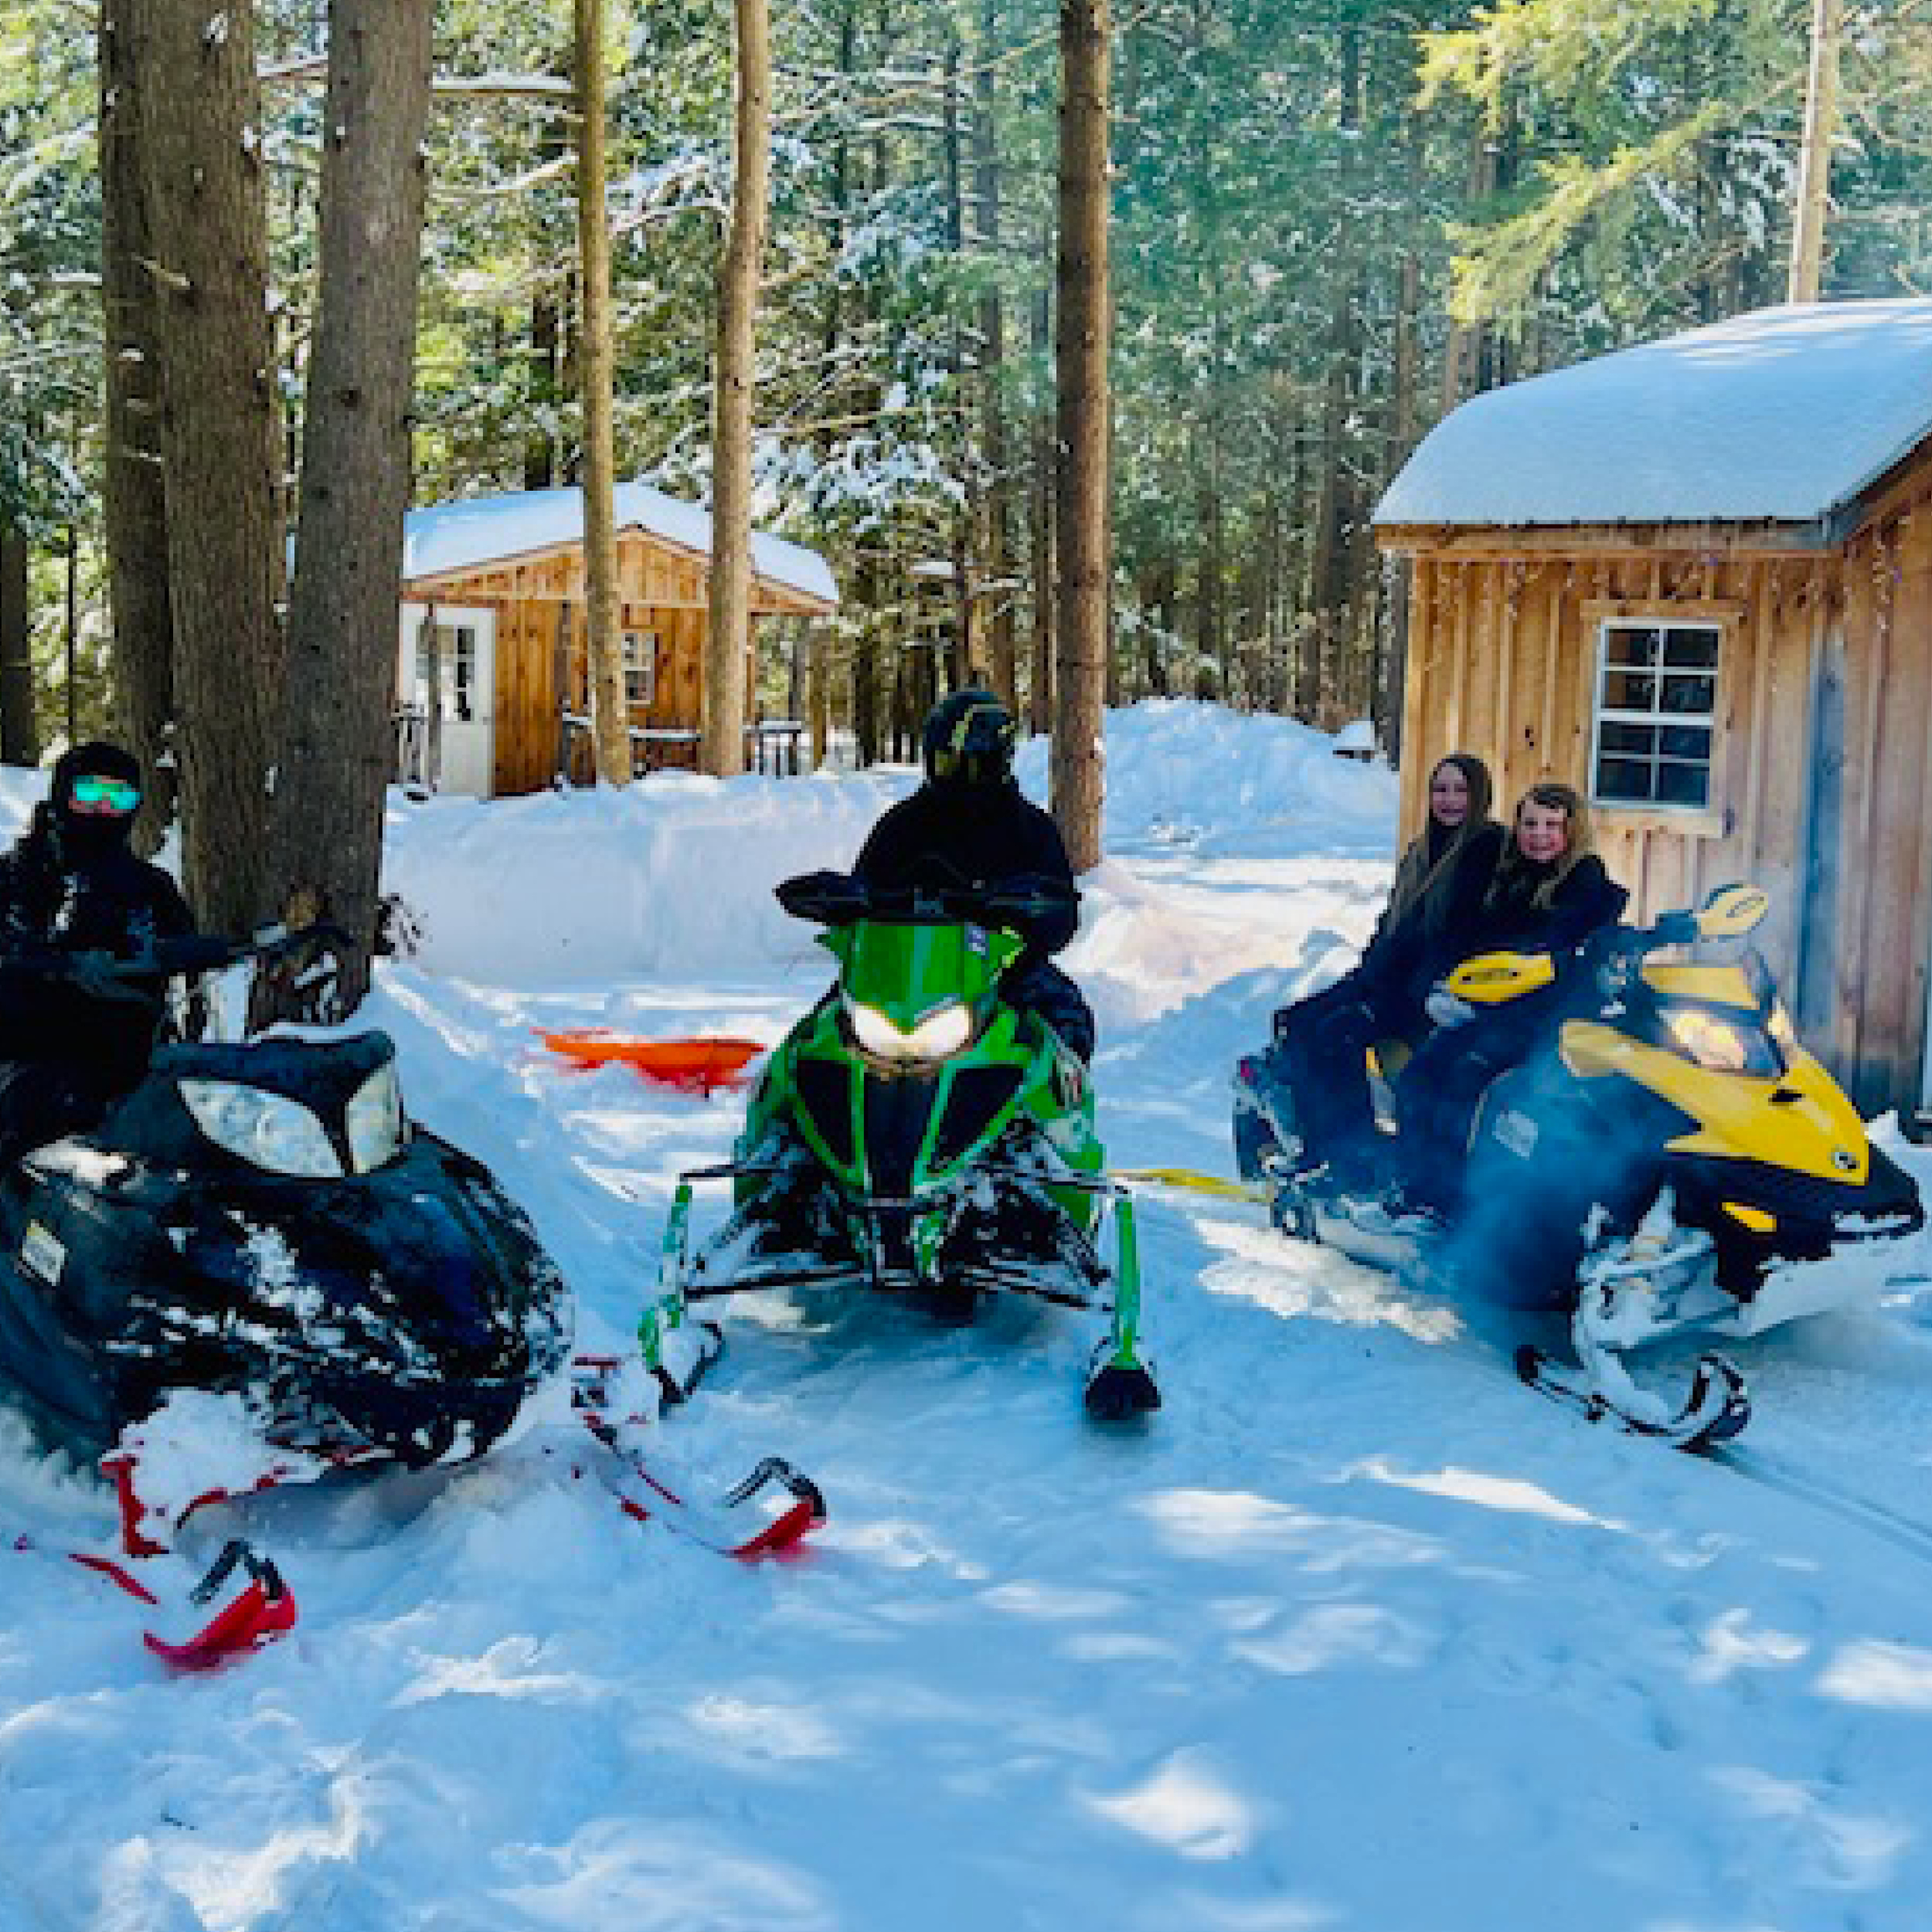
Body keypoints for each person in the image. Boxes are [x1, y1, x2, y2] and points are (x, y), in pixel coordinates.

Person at [1261, 753, 1505, 1186]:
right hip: (1386, 977)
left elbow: (1454, 938)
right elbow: (1393, 926)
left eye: (1460, 791)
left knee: (1340, 1031)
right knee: (1297, 1021)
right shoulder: (1422, 850)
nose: (1448, 801)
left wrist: (1392, 992)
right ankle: (1314, 1144)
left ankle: (1351, 1155)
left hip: (1427, 991)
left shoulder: (1484, 851)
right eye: (1440, 790)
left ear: (1480, 796)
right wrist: (1367, 975)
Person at [1391, 781, 1627, 1217]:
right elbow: (1471, 937)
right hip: (1490, 1007)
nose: (1539, 834)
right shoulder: (1509, 877)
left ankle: (1458, 1204)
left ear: (1572, 831)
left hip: (1546, 1017)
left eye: (1552, 825)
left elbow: (1558, 941)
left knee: (1467, 1079)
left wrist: (1534, 959)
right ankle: (1420, 1191)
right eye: (1530, 823)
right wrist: (1446, 981)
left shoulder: (1584, 880)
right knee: (1419, 1076)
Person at [851, 688, 1095, 1061]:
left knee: (1068, 1028)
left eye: (965, 764)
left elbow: (1061, 915)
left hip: (1003, 969)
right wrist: (841, 899)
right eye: (944, 762)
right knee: (821, 1032)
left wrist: (1029, 910)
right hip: (902, 973)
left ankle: (1046, 1116)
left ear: (995, 762)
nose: (953, 776)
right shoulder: (902, 825)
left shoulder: (1029, 829)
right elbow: (864, 884)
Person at [0, 742, 196, 1165]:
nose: (104, 810)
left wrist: (212, 951)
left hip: (130, 1060)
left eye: (119, 798)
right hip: (28, 1055)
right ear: (62, 794)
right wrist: (51, 963)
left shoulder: (150, 886)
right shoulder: (17, 874)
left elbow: (182, 940)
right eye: (90, 795)